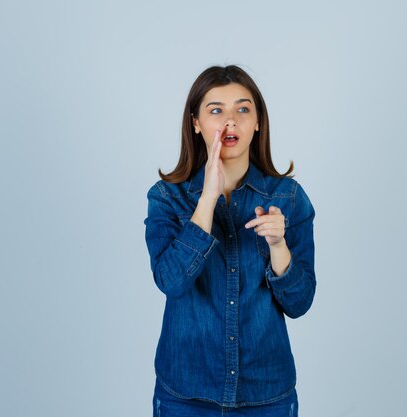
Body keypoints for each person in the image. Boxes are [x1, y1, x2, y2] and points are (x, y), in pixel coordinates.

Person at [144, 65, 316, 417]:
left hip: (267, 395)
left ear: (258, 123)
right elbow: (171, 282)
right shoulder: (167, 198)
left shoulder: (288, 197)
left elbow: (300, 303)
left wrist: (279, 246)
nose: (230, 121)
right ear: (196, 122)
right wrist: (207, 198)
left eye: (242, 109)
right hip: (186, 395)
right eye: (216, 110)